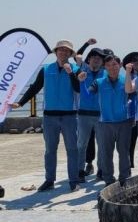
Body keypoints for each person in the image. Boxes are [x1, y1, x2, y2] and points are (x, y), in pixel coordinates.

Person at [13, 40, 81, 192]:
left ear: (70, 54)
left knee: (72, 149)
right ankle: (49, 180)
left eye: (66, 51)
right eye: (60, 50)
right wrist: (21, 103)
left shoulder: (76, 69)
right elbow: (35, 87)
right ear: (56, 52)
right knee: (50, 150)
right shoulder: (46, 69)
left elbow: (78, 88)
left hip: (69, 116)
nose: (63, 52)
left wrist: (71, 73)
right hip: (50, 116)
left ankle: (74, 181)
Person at [83, 53, 131, 186]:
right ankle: (109, 180)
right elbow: (87, 96)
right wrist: (82, 83)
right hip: (105, 123)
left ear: (120, 65)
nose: (112, 67)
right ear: (104, 67)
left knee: (124, 153)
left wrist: (133, 118)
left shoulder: (126, 79)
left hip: (124, 122)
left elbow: (133, 97)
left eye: (115, 64)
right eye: (108, 65)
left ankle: (124, 179)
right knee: (106, 154)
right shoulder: (99, 82)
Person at [75, 48, 107, 182]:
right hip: (83, 114)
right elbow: (76, 55)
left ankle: (101, 170)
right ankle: (79, 171)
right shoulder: (82, 71)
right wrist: (87, 44)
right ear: (88, 60)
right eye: (93, 57)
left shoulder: (106, 73)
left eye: (99, 58)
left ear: (102, 62)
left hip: (100, 114)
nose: (96, 59)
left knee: (102, 144)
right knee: (81, 143)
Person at [122, 51, 138, 168]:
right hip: (130, 113)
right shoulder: (125, 77)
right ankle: (129, 164)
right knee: (129, 142)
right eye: (134, 60)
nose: (137, 63)